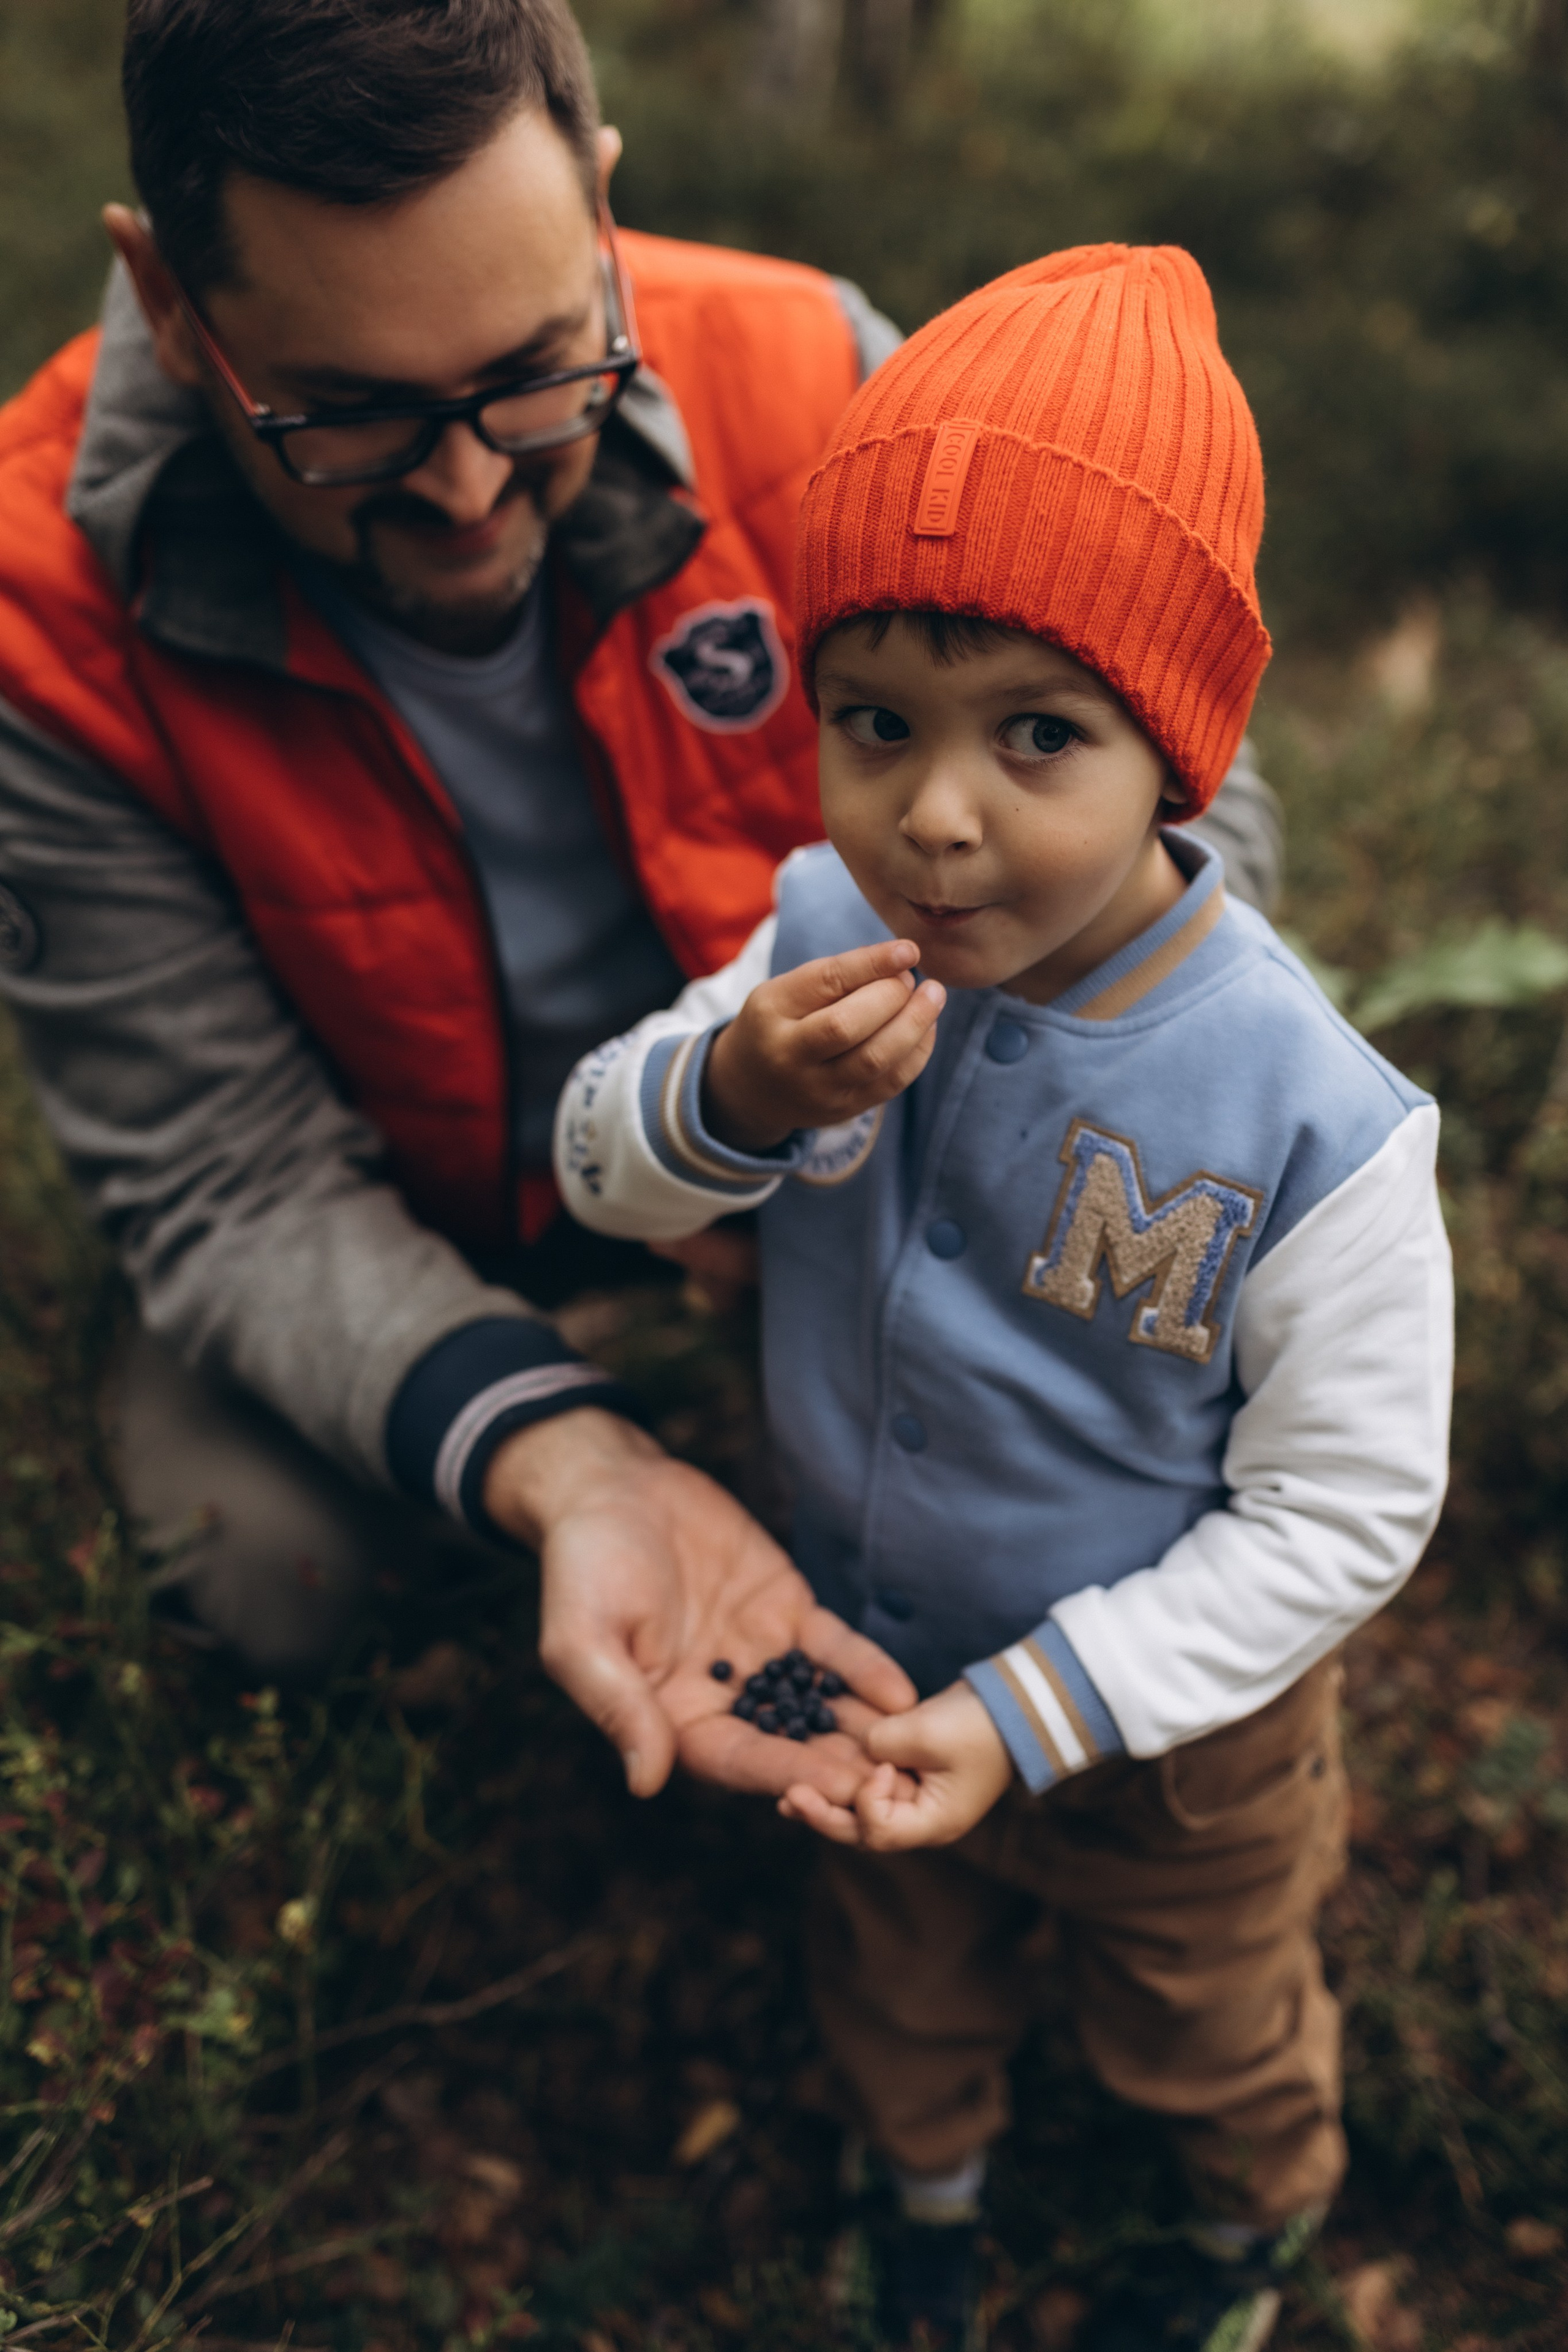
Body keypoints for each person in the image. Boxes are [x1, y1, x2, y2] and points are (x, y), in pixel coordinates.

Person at [0, 1, 1278, 1808]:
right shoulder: (36, 616)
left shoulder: (811, 378)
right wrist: (566, 1458)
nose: (464, 491)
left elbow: (1199, 796)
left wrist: (1013, 1157)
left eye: (539, 374)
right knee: (263, 1574)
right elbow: (226, 1177)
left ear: (600, 199)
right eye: (349, 418)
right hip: (410, 1210)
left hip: (852, 1177)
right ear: (164, 296)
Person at [553, 245, 1453, 2351]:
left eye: (1036, 735)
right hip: (862, 1655)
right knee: (896, 1968)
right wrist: (730, 1086)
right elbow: (600, 1160)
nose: (933, 816)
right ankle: (926, 2190)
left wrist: (1037, 1715)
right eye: (875, 723)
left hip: (1171, 1753)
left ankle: (1247, 2226)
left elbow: (1346, 1510)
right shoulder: (820, 937)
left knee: (1201, 2014)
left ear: (1179, 755)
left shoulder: (1314, 1120)